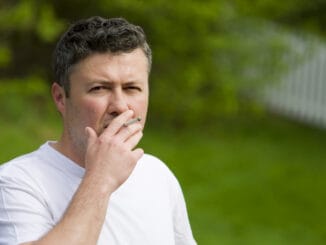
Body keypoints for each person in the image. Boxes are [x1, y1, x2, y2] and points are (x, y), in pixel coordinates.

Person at [0, 16, 196, 245]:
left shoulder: (158, 175)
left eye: (132, 88)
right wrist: (101, 179)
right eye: (99, 89)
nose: (120, 106)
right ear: (61, 98)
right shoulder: (15, 183)